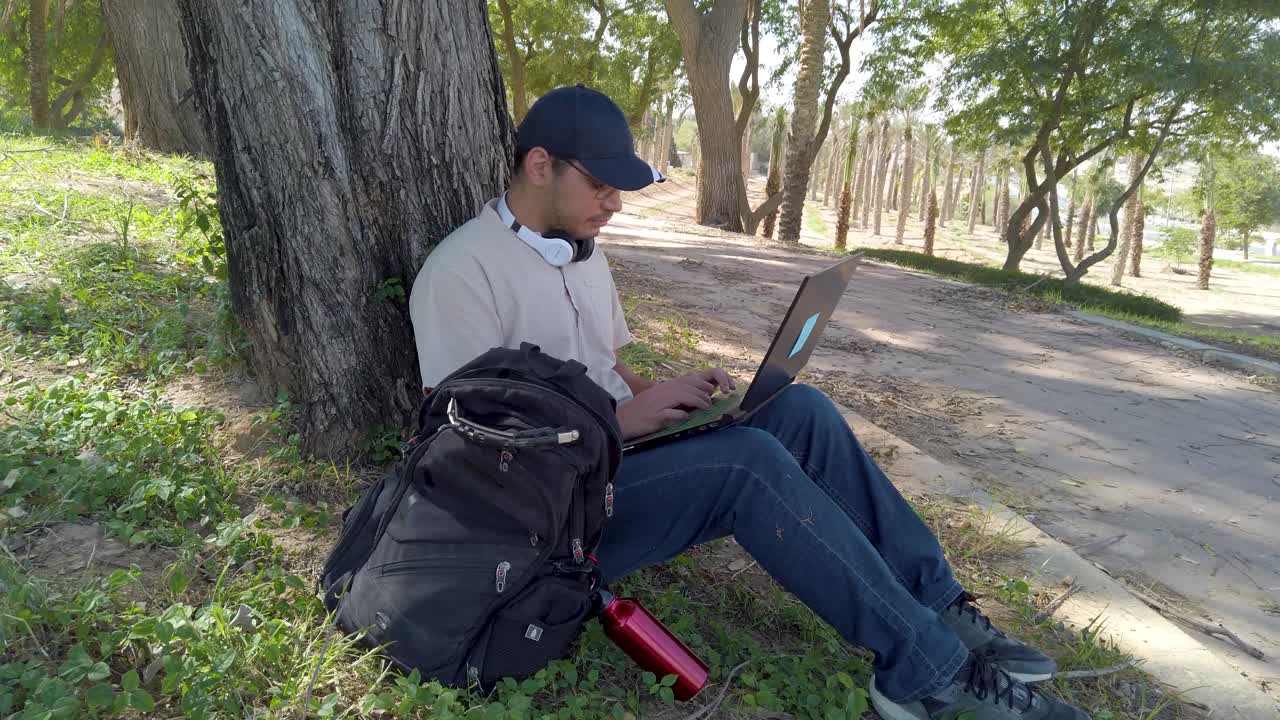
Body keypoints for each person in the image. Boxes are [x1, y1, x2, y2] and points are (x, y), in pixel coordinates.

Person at [409, 84, 1089, 720]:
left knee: (800, 412)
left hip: (616, 456)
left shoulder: (581, 252)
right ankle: (924, 676)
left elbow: (607, 365)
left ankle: (940, 606)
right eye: (601, 184)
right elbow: (472, 452)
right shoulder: (462, 273)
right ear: (539, 165)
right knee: (746, 463)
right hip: (555, 516)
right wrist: (616, 425)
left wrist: (667, 399)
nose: (614, 203)